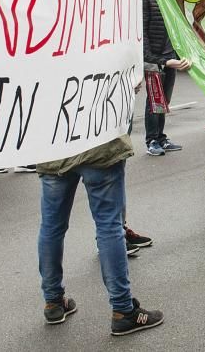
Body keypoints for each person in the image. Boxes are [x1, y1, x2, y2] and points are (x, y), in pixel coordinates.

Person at [36, 134, 164, 336]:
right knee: (109, 226)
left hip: (55, 146)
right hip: (98, 143)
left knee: (52, 227)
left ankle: (53, 302)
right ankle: (123, 310)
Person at [141, 0, 188, 157]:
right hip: (156, 59)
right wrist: (156, 60)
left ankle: (161, 137)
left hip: (170, 57)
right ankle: (152, 140)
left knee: (164, 101)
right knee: (154, 101)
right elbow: (142, 34)